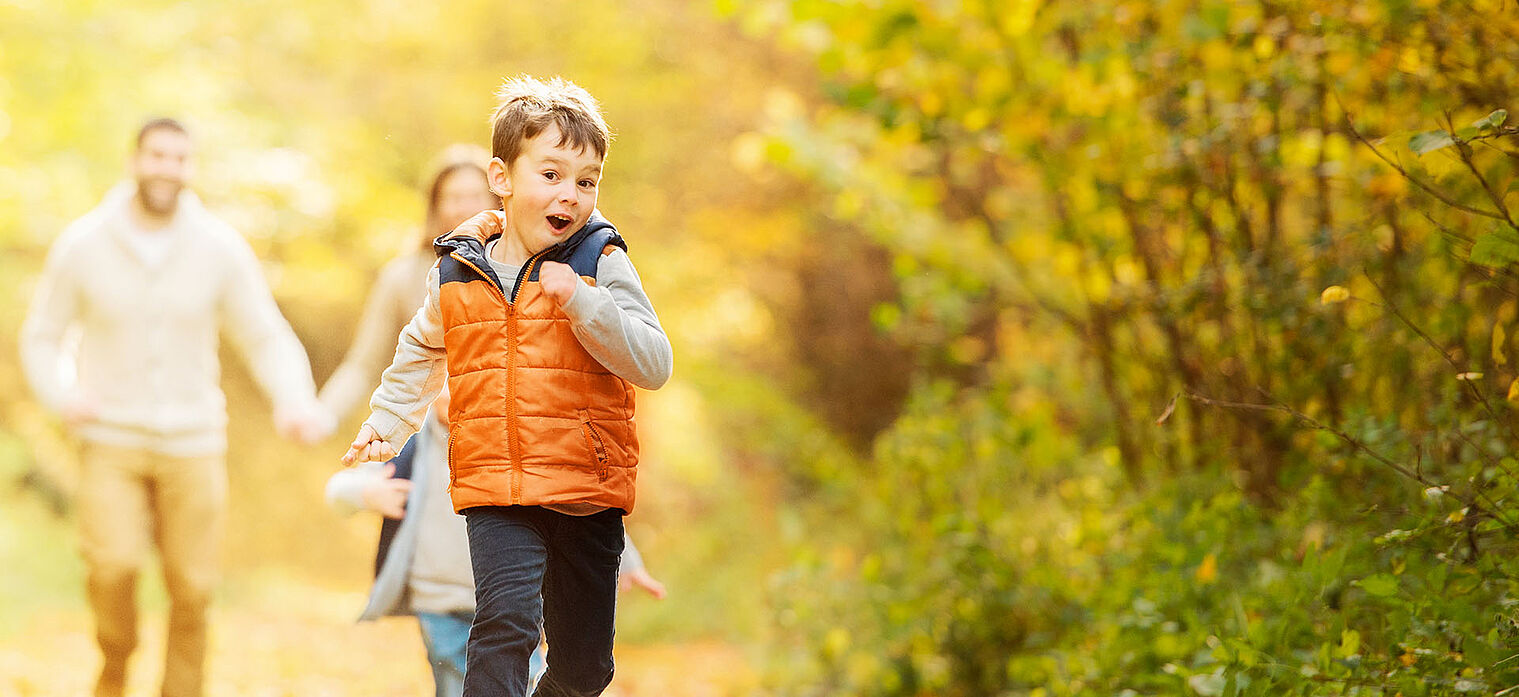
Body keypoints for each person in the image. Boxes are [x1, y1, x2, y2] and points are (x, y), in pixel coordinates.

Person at [341, 74, 673, 696]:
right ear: (502, 177)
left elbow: (653, 363)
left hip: (586, 489)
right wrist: (386, 423)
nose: (570, 195)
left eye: (586, 181)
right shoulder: (461, 270)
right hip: (498, 488)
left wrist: (587, 306)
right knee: (507, 622)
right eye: (551, 175)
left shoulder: (599, 260)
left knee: (583, 667)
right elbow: (420, 348)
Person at [19, 117, 328, 697]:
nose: (167, 168)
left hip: (194, 441)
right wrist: (62, 394)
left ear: (191, 168)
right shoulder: (84, 243)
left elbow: (263, 334)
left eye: (179, 158)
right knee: (112, 566)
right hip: (110, 438)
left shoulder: (218, 246)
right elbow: (43, 334)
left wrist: (293, 399)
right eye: (157, 156)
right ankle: (115, 659)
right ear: (135, 161)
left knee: (193, 586)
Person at [325, 384, 666, 697]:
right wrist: (368, 493)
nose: (449, 397)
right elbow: (336, 490)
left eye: (458, 385)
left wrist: (629, 561)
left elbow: (576, 508)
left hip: (513, 596)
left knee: (529, 675)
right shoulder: (409, 452)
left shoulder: (510, 449)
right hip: (438, 602)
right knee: (455, 684)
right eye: (441, 389)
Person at [318, 149, 498, 423]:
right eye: (454, 198)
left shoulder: (515, 267)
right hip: (423, 430)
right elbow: (363, 366)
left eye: (475, 197)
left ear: (496, 201)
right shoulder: (401, 277)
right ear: (435, 206)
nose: (465, 208)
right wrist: (323, 416)